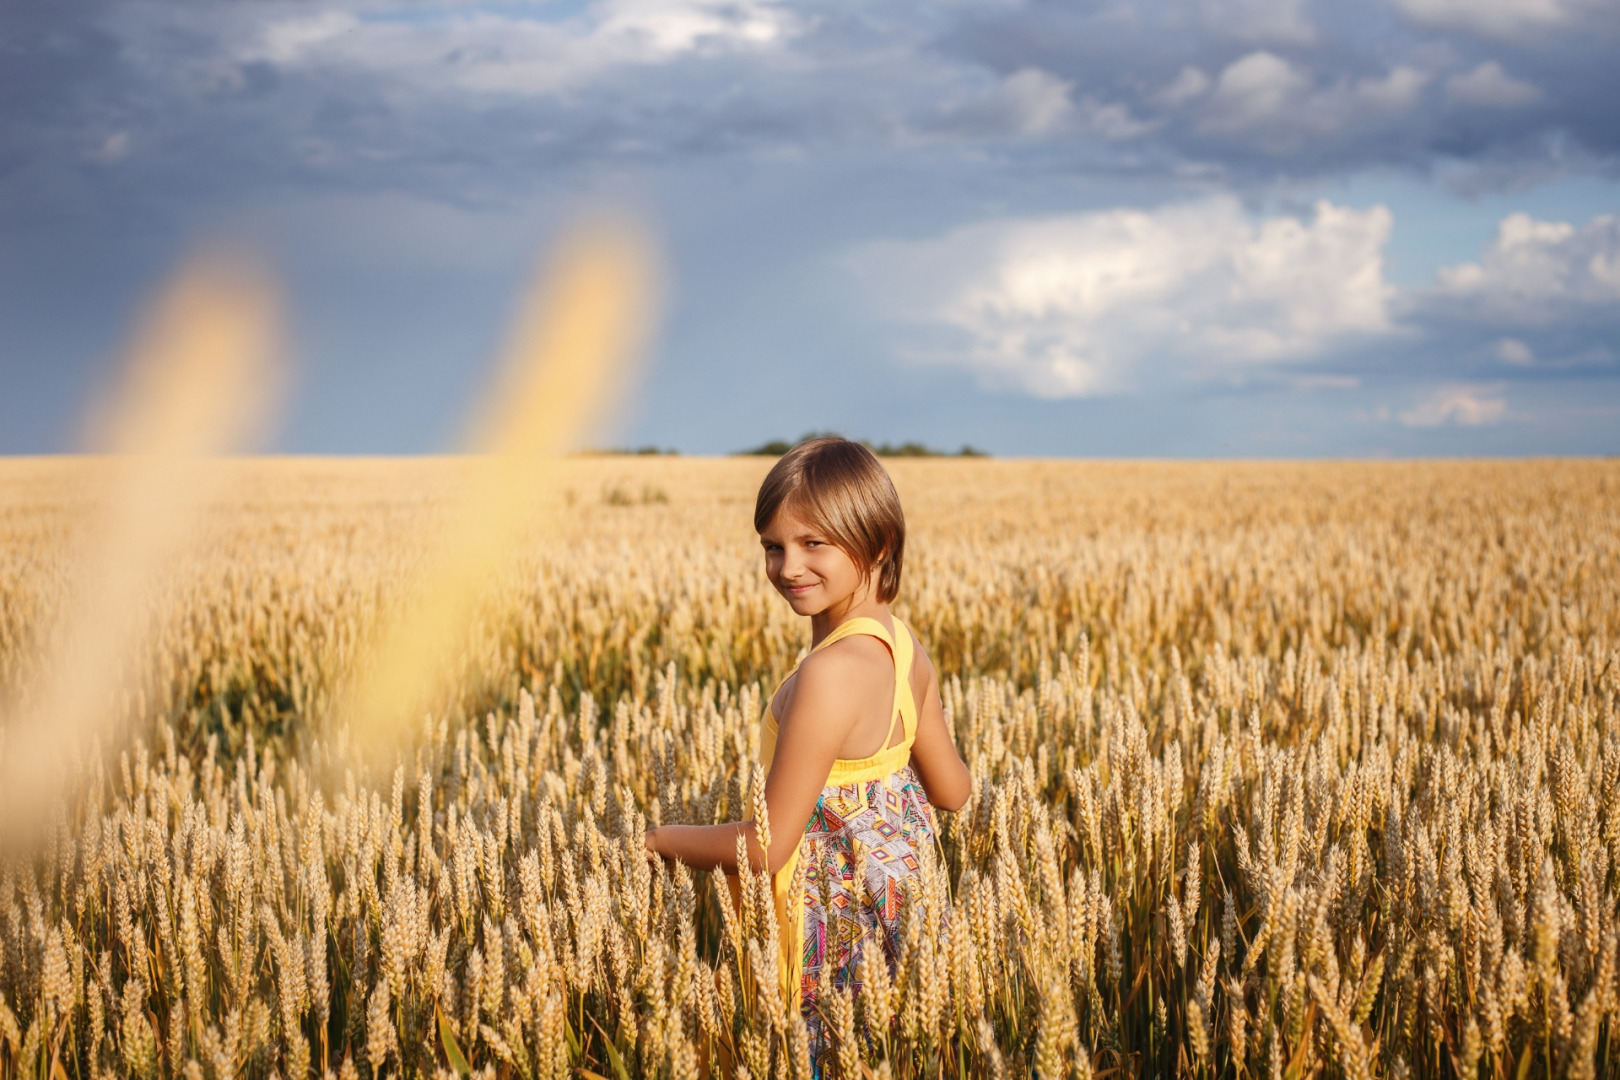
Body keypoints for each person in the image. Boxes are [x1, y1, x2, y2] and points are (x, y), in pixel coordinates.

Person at [644, 436, 972, 1059]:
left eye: (812, 543)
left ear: (876, 544)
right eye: (773, 546)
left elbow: (769, 846)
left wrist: (660, 840)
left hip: (833, 939)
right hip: (906, 920)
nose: (788, 566)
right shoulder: (903, 648)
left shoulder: (828, 674)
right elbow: (954, 791)